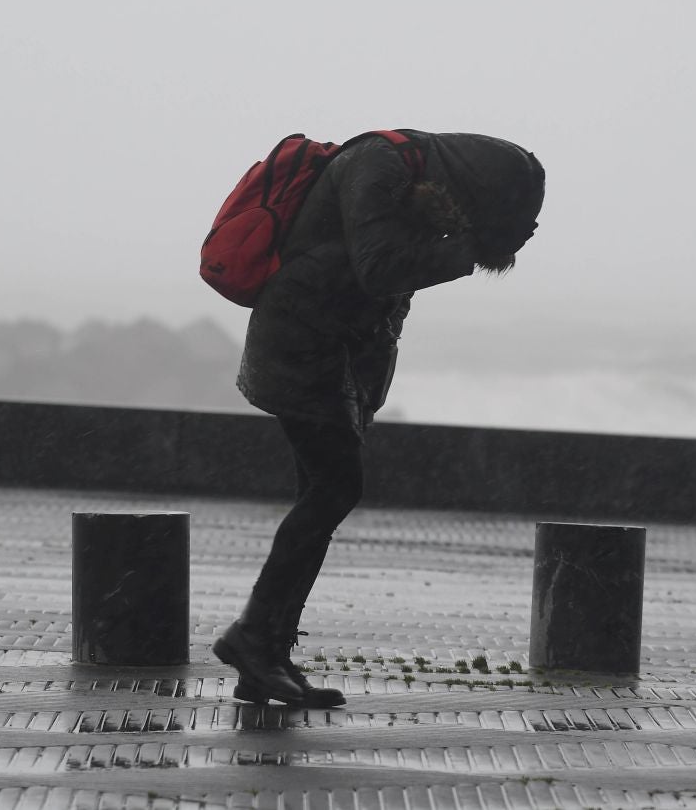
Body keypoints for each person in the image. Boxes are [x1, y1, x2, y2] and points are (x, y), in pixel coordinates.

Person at [212, 129, 545, 707]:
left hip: (329, 351)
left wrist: (366, 384)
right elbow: (378, 268)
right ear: (479, 184)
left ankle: (263, 657)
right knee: (335, 489)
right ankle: (253, 638)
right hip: (299, 341)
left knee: (321, 494)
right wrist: (464, 249)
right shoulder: (378, 163)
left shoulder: (416, 177)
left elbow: (383, 298)